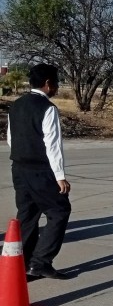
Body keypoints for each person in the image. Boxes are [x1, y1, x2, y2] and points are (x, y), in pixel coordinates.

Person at [7, 63, 72, 280]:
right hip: (40, 170)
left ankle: (20, 264)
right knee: (59, 211)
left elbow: (10, 138)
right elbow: (52, 144)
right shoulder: (48, 108)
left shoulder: (16, 105)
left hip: (19, 167)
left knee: (27, 215)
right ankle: (41, 262)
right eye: (56, 82)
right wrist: (60, 176)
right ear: (47, 83)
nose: (56, 87)